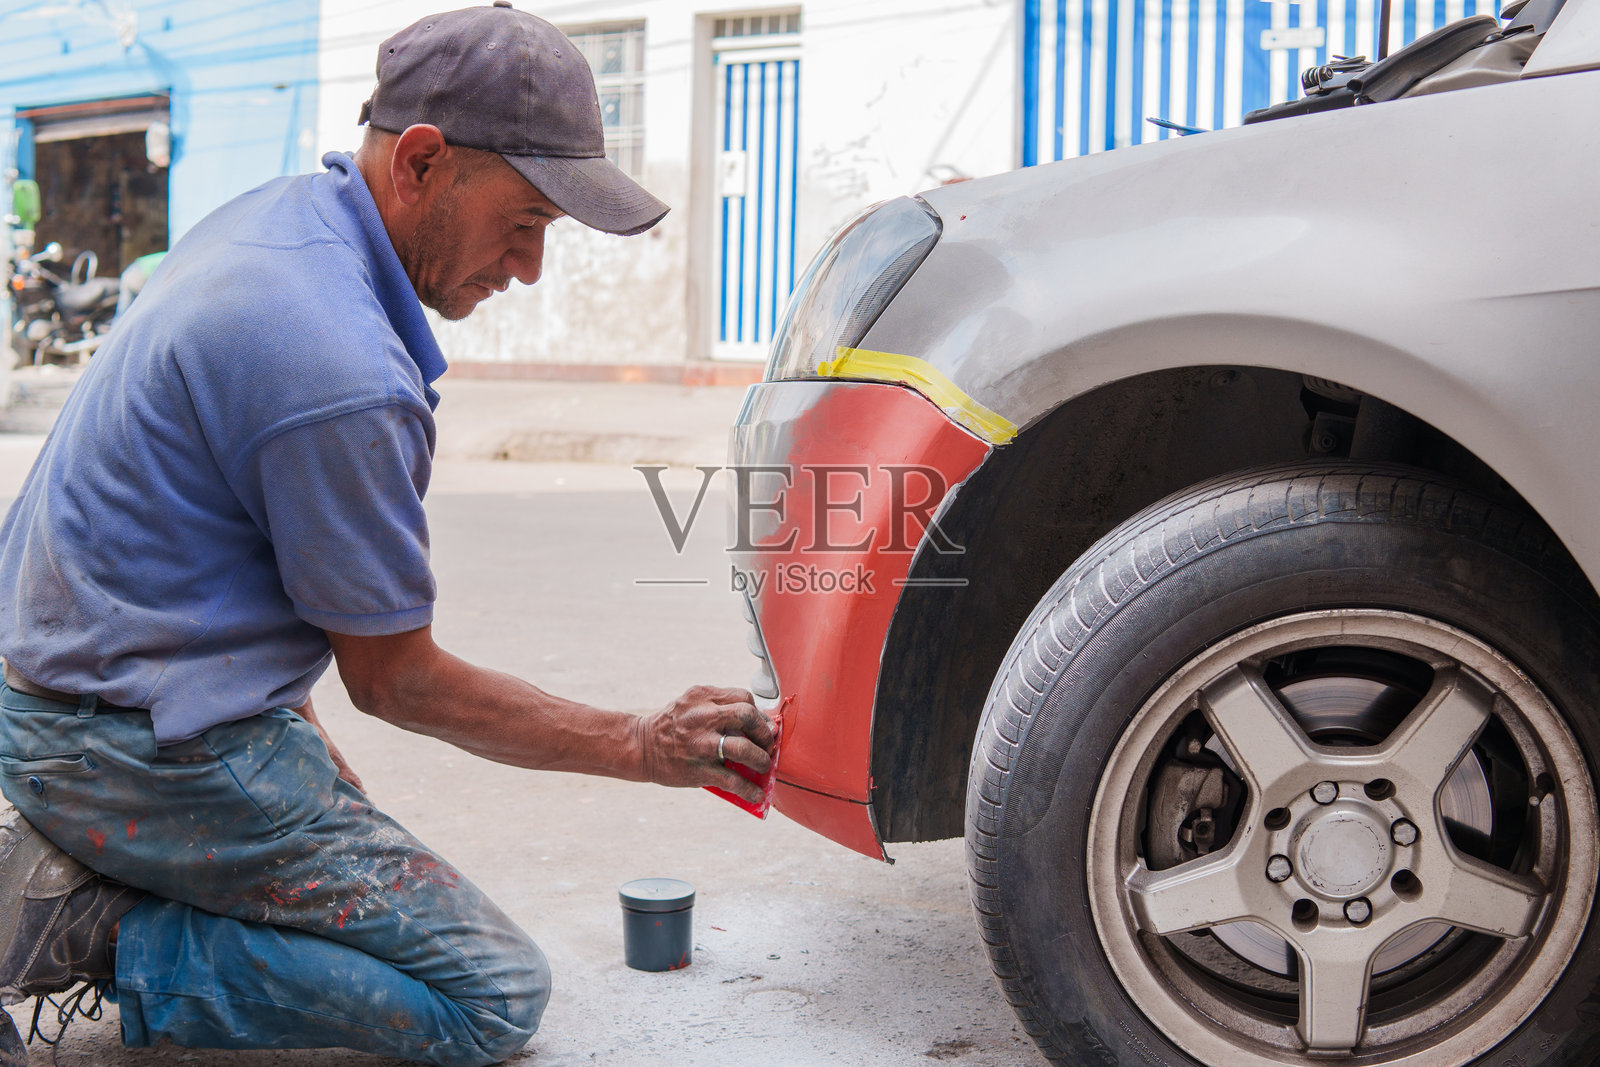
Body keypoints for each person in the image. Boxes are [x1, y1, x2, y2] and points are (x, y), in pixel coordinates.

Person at [0, 5, 777, 1065]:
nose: (528, 268)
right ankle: (100, 928)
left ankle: (110, 858)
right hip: (125, 739)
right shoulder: (338, 368)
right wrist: (639, 743)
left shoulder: (277, 222)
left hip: (64, 683)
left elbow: (216, 535)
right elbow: (397, 681)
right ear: (421, 161)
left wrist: (292, 726)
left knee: (331, 839)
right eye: (527, 223)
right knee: (490, 994)